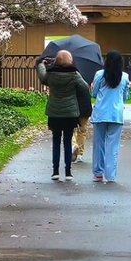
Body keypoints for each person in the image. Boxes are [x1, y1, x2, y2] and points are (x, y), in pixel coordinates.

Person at [36, 49, 92, 180]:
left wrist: (41, 64)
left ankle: (55, 171)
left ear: (57, 61)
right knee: (67, 142)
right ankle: (68, 172)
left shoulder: (51, 74)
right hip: (70, 114)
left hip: (54, 113)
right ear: (70, 61)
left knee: (56, 141)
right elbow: (84, 87)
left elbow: (42, 77)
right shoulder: (74, 75)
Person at [90, 50, 131, 183]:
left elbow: (94, 94)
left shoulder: (99, 75)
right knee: (113, 146)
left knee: (99, 144)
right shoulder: (124, 77)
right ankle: (111, 175)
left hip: (100, 113)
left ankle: (98, 173)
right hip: (116, 115)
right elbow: (126, 97)